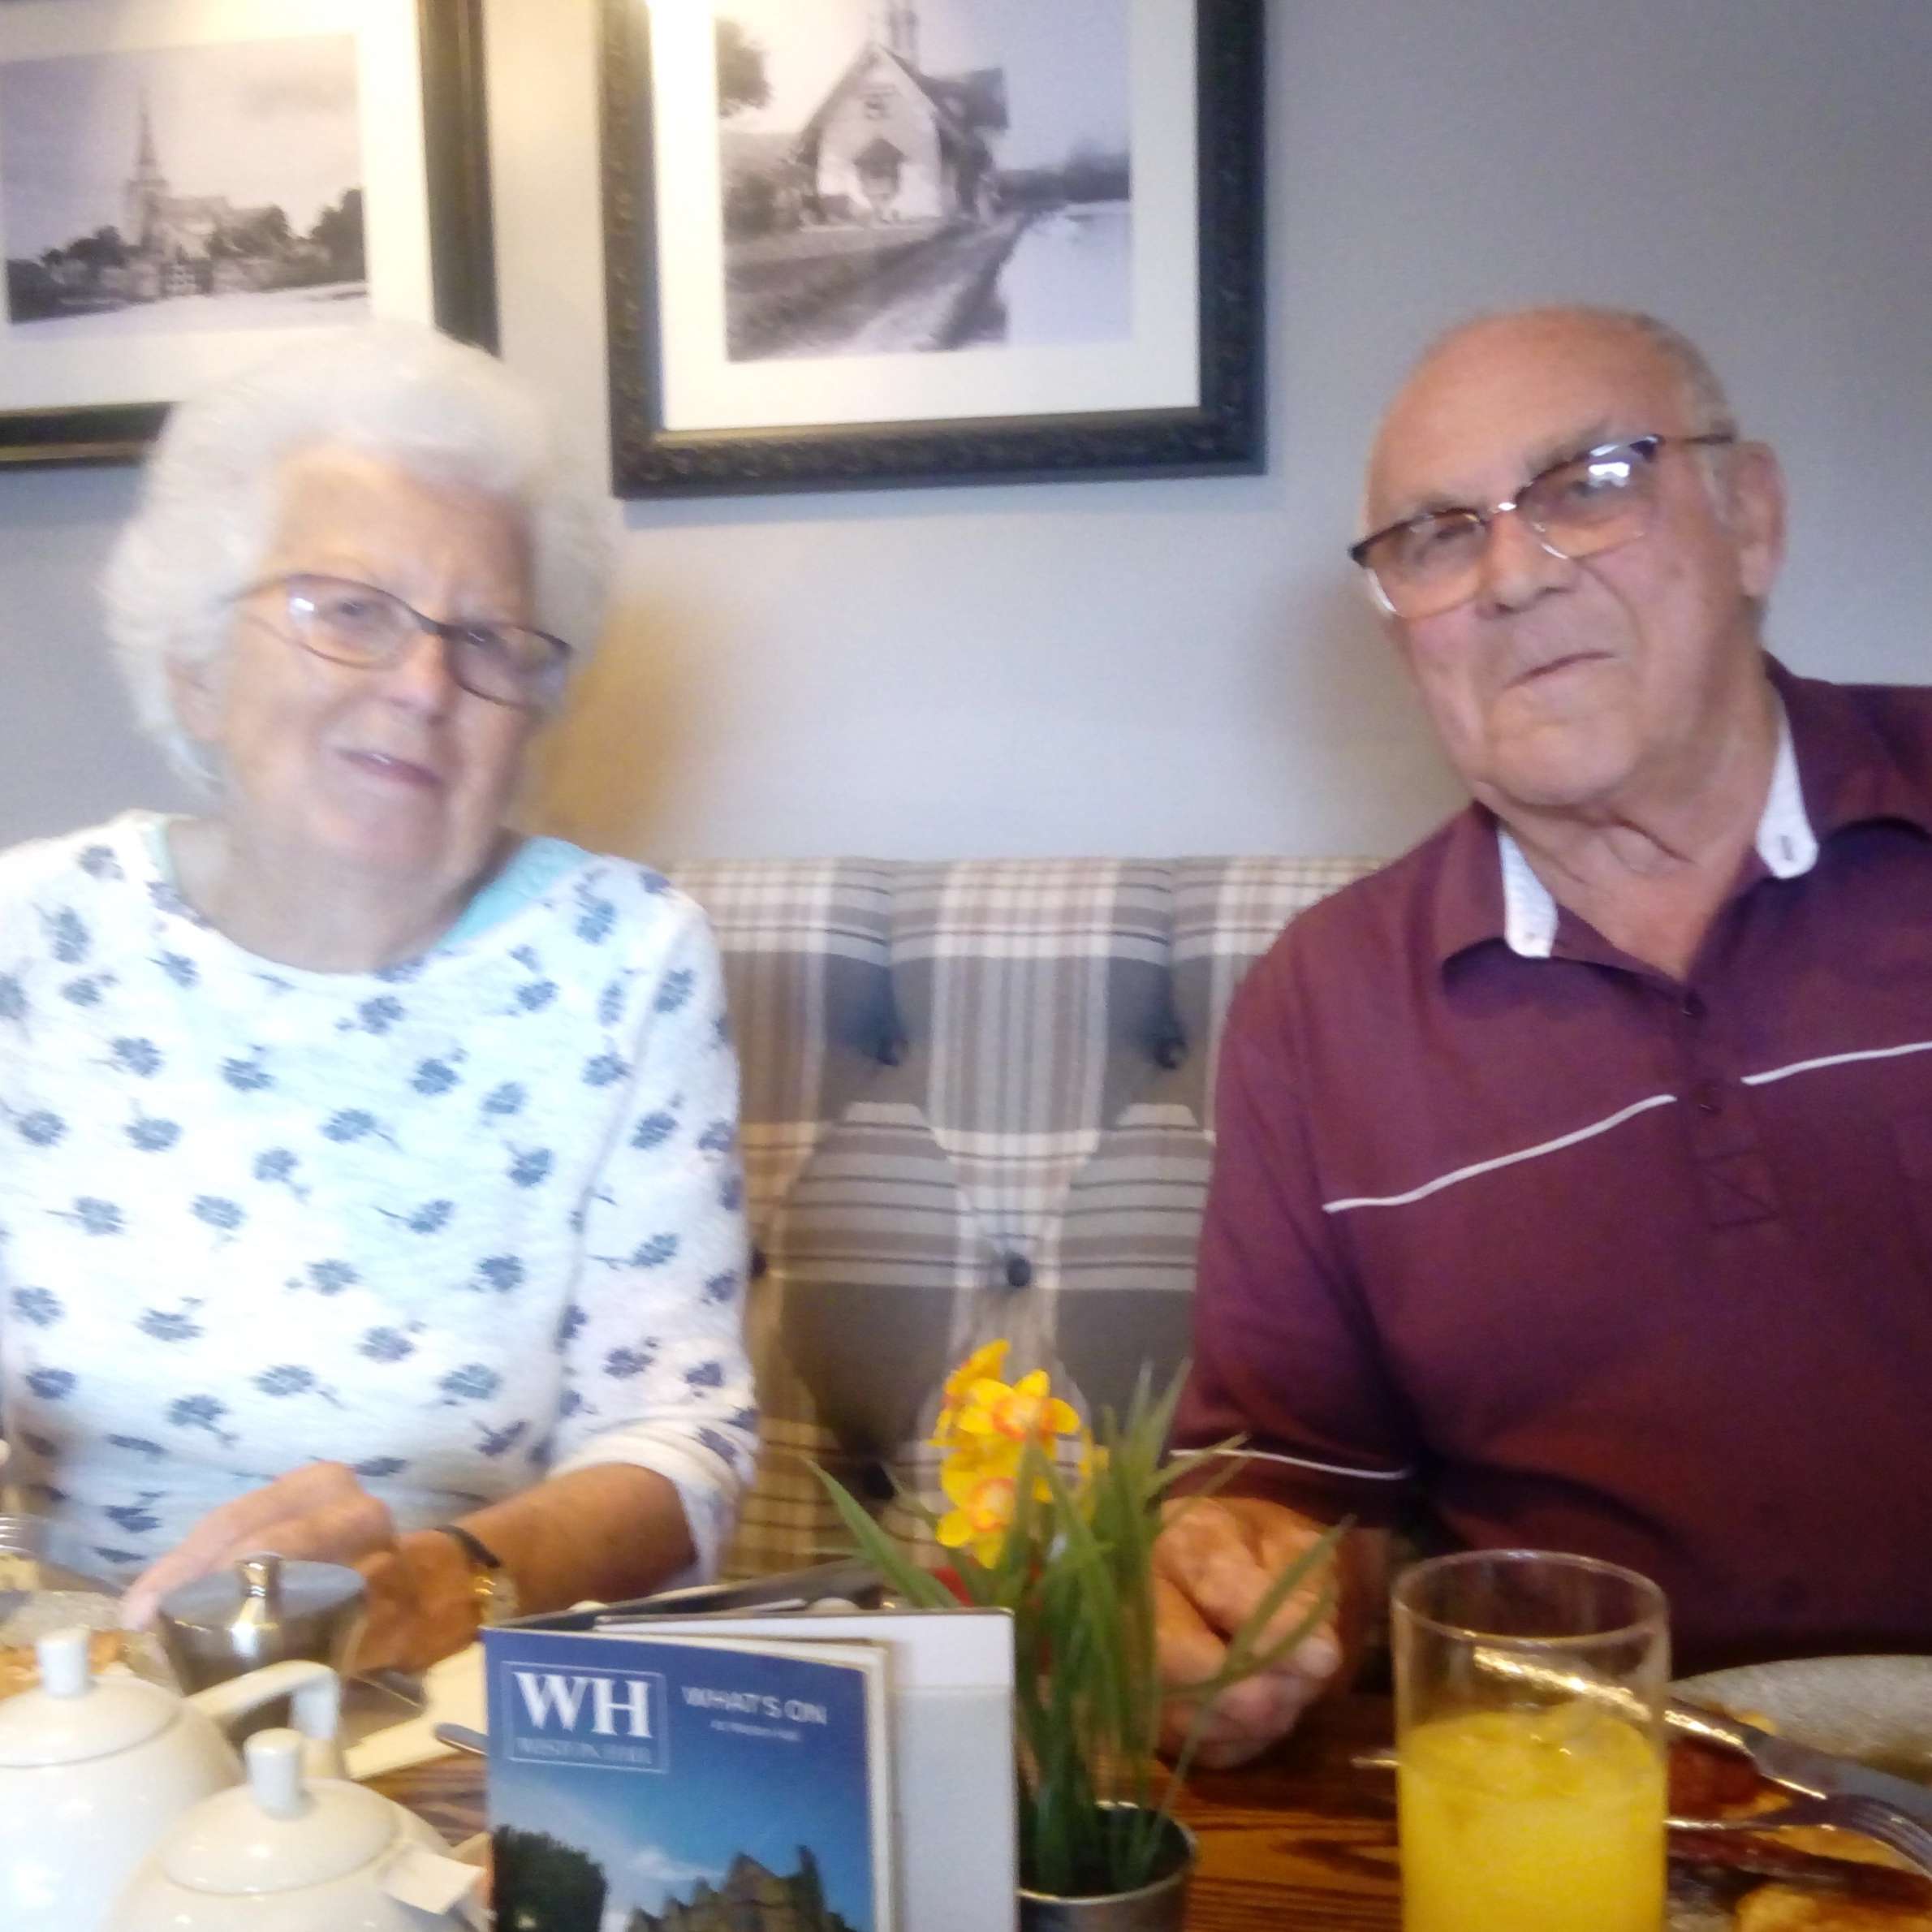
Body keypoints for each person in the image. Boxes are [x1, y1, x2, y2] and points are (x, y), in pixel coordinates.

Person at [1154, 304, 1932, 1765]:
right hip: (1589, 1813)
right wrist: (1232, 1588)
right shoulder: (1322, 1013)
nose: (1512, 575)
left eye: (1588, 483)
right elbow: (1298, 1500)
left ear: (1749, 519)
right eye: (1438, 537)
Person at [0, 324, 757, 1670]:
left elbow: (681, 1445)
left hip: (440, 1699)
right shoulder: (29, 937)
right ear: (196, 666)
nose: (421, 685)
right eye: (348, 611)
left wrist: (440, 1582)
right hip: (65, 1697)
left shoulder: (625, 961)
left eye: (486, 641)